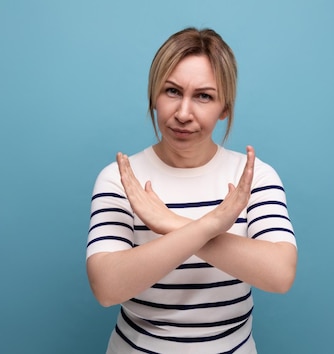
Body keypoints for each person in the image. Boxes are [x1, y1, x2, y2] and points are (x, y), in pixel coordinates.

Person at [86, 27, 298, 354]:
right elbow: (106, 287)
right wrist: (210, 225)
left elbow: (280, 274)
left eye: (204, 96)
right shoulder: (120, 178)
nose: (183, 114)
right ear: (154, 94)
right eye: (172, 91)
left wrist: (170, 223)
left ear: (224, 107)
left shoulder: (253, 177)